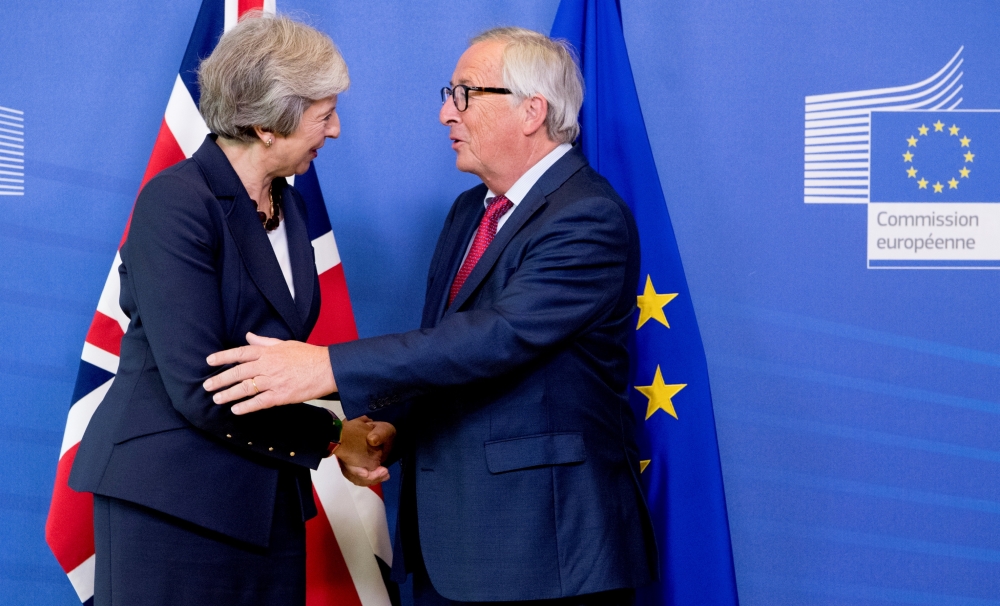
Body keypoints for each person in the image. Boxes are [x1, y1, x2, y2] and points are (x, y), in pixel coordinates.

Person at [204, 27, 657, 605]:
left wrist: (326, 367)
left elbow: (498, 337)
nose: (447, 112)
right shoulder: (472, 210)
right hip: (454, 546)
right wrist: (397, 427)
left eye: (465, 93)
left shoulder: (587, 216)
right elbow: (444, 348)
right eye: (450, 93)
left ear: (532, 112)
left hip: (546, 551)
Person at [69, 13, 392, 606]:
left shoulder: (289, 206)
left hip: (265, 503)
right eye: (324, 115)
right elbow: (200, 384)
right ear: (268, 123)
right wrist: (331, 435)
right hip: (172, 502)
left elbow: (275, 362)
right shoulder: (177, 202)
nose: (337, 130)